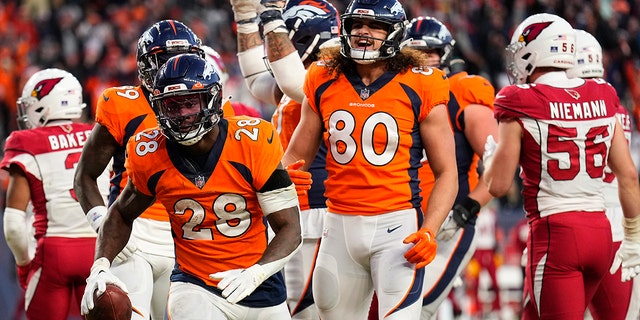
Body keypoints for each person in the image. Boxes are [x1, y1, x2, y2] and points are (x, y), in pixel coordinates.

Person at [79, 53, 303, 319]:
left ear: (213, 99)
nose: (183, 115)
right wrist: (101, 264)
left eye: (190, 103)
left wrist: (257, 273)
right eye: (172, 106)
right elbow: (120, 213)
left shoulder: (253, 140)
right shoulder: (148, 152)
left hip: (260, 284)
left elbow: (290, 228)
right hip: (196, 286)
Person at [281, 0, 459, 318]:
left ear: (394, 32)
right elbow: (296, 155)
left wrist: (431, 229)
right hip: (338, 227)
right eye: (357, 25)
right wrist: (284, 178)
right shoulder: (321, 77)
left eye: (375, 25)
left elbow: (446, 171)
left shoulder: (423, 81)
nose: (364, 32)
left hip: (398, 228)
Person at [483, 13, 640, 319]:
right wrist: (633, 236)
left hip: (558, 233)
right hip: (602, 233)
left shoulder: (518, 98)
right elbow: (629, 175)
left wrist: (491, 160)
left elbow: (498, 185)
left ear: (537, 50)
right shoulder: (605, 95)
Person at [73, 19, 209, 320]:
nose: (171, 70)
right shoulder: (123, 104)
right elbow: (85, 174)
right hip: (134, 230)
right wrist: (102, 226)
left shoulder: (206, 107)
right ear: (146, 66)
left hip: (189, 233)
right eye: (162, 61)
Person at [231, 0, 338, 318]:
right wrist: (246, 18)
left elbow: (295, 83)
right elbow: (255, 81)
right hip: (290, 207)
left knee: (311, 310)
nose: (273, 47)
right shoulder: (302, 81)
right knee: (296, 309)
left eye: (280, 37)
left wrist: (270, 17)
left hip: (317, 211)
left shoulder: (334, 77)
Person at [400, 16, 499, 319]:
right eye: (416, 53)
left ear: (445, 54)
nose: (424, 61)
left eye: (431, 53)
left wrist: (467, 208)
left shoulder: (462, 90)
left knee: (415, 310)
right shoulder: (395, 93)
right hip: (400, 222)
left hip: (446, 226)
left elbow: (500, 160)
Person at [1, 68, 110, 319]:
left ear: (45, 105)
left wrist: (23, 264)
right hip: (101, 247)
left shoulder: (26, 141)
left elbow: (14, 226)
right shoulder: (100, 134)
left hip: (53, 252)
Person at [567, 28, 640, 320]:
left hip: (570, 221)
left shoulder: (559, 105)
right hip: (617, 224)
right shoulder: (616, 105)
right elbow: (628, 176)